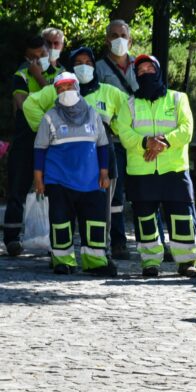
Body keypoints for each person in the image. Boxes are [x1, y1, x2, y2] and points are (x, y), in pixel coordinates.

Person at [24, 47, 128, 237]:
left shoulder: (109, 92)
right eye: (78, 63)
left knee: (101, 212)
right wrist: (46, 129)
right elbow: (30, 104)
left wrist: (116, 128)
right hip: (63, 168)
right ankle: (61, 253)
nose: (84, 67)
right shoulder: (57, 89)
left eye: (88, 63)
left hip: (100, 163)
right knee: (63, 213)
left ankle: (104, 250)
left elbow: (129, 111)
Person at [114, 54, 196, 278]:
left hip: (174, 170)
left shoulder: (178, 98)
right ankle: (150, 263)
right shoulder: (129, 104)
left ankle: (186, 262)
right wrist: (146, 142)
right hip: (141, 171)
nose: (145, 73)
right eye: (140, 71)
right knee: (145, 219)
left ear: (159, 71)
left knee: (181, 217)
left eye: (150, 68)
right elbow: (124, 133)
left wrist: (163, 142)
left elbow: (187, 129)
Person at [33, 73, 113, 275]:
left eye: (69, 86)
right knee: (60, 221)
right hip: (58, 180)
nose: (65, 91)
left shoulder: (93, 114)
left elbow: (103, 145)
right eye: (60, 88)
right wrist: (38, 179)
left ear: (77, 88)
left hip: (91, 181)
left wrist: (104, 173)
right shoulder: (50, 116)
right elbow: (39, 149)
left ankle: (95, 262)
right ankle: (63, 261)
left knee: (95, 221)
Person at [4, 35, 63, 257]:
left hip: (54, 141)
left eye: (42, 55)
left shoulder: (60, 75)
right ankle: (11, 239)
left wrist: (40, 80)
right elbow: (23, 105)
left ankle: (55, 240)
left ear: (49, 53)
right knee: (17, 188)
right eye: (33, 57)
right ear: (26, 58)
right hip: (25, 139)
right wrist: (39, 81)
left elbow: (61, 102)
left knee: (54, 190)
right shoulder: (20, 75)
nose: (38, 61)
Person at [97, 19, 140, 259]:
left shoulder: (143, 65)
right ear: (107, 39)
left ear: (130, 40)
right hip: (113, 140)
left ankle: (152, 243)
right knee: (115, 193)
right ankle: (117, 242)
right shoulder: (99, 69)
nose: (118, 40)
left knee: (144, 191)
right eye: (113, 35)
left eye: (123, 35)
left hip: (139, 138)